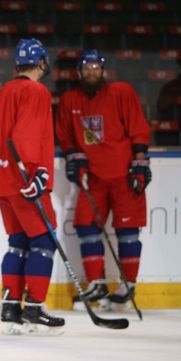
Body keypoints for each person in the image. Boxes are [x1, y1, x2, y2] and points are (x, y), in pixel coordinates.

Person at [56, 49, 152, 310]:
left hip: (123, 174)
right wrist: (74, 157)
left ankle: (127, 287)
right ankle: (97, 284)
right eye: (86, 67)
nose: (91, 71)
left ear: (103, 70)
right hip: (93, 178)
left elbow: (138, 127)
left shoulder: (121, 92)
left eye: (96, 66)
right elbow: (65, 135)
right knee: (86, 227)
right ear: (78, 72)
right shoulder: (69, 100)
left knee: (128, 232)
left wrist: (140, 161)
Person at [0, 38, 65, 334]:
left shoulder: (4, 91)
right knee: (43, 242)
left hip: (1, 178)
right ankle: (33, 309)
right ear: (42, 62)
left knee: (18, 243)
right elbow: (27, 134)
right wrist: (38, 172)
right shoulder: (36, 91)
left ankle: (10, 309)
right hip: (25, 179)